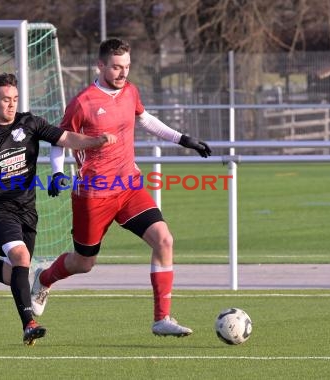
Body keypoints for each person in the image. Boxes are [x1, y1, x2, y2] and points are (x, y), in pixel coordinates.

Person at [31, 38, 212, 337]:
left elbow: (146, 120)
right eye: (116, 67)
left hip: (129, 186)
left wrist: (183, 139)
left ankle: (161, 318)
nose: (122, 73)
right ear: (100, 65)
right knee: (84, 263)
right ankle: (45, 279)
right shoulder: (82, 102)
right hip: (94, 194)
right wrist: (56, 173)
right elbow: (60, 141)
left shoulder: (130, 91)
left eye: (126, 66)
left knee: (164, 240)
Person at [0, 73, 116, 346]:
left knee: (14, 273)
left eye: (15, 99)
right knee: (21, 257)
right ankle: (29, 323)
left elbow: (65, 138)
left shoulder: (29, 123)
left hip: (27, 209)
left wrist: (97, 141)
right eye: (6, 100)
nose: (11, 105)